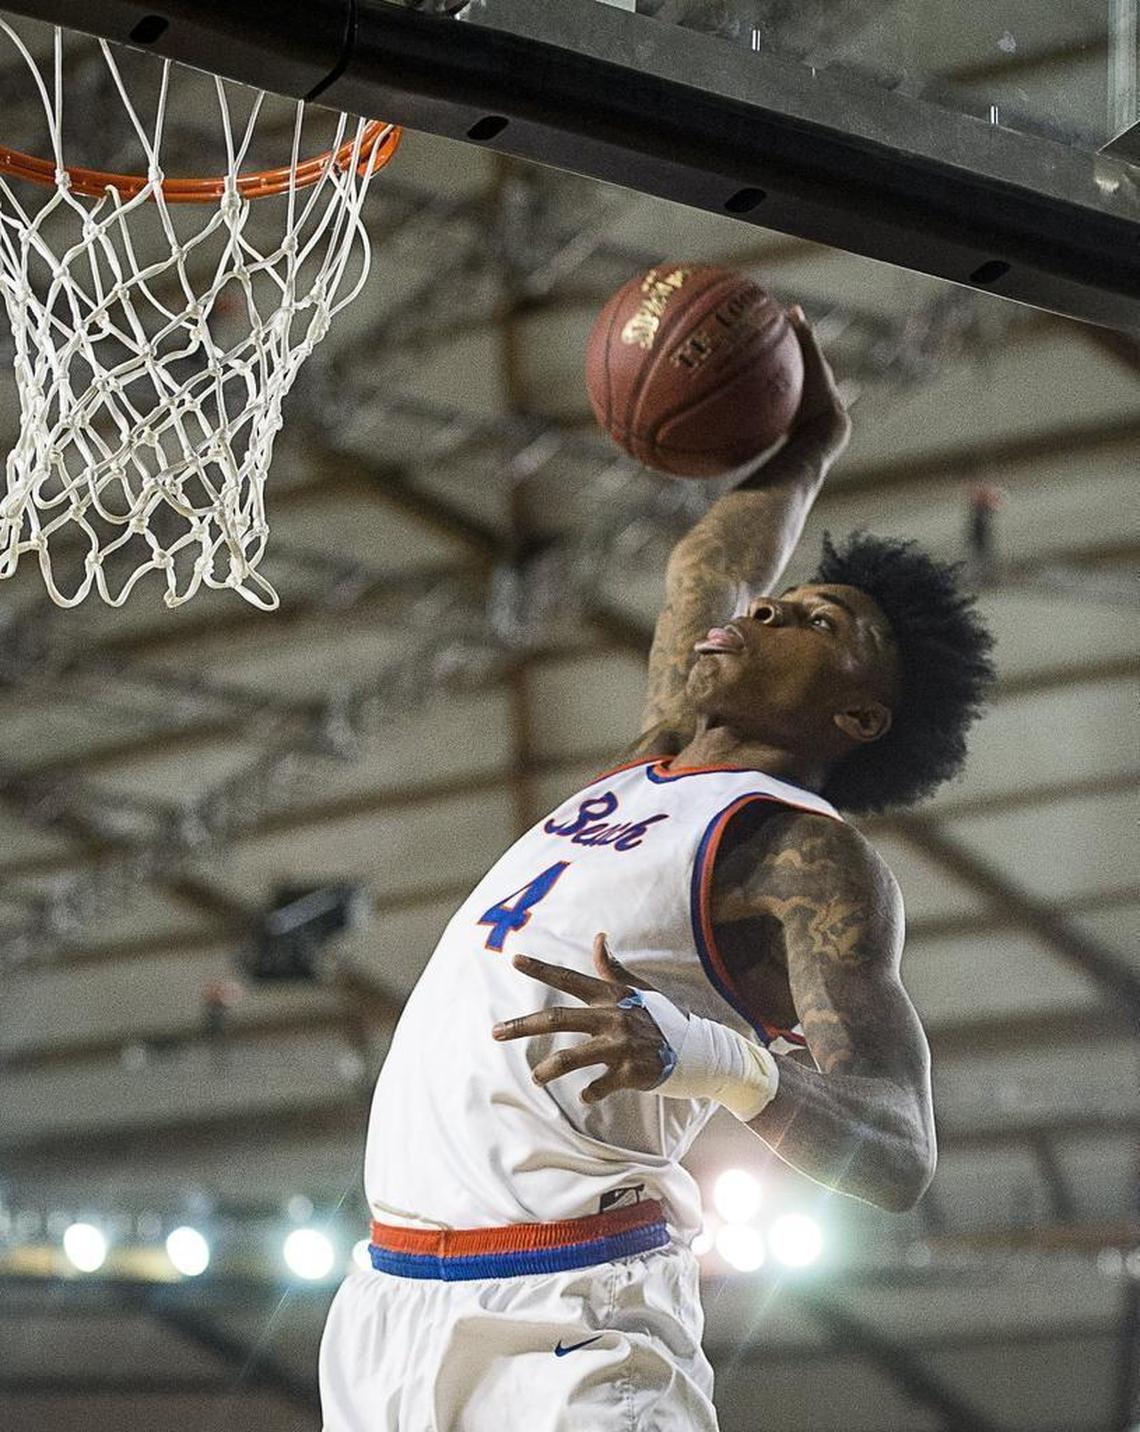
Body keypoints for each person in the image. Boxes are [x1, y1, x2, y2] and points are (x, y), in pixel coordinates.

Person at [319, 306, 996, 1431]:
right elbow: (711, 563)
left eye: (818, 623)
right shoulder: (655, 759)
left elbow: (899, 1148)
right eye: (785, 596)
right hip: (388, 1303)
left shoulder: (802, 851)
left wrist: (718, 1063)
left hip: (573, 1316)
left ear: (858, 712)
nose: (772, 605)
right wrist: (811, 444)